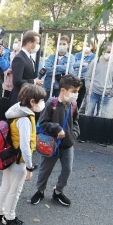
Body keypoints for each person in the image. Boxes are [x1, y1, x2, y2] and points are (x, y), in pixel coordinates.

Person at [0, 84, 46, 225]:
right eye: (41, 101)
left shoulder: (16, 111)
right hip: (18, 160)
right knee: (15, 190)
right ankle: (9, 217)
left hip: (9, 156)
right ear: (32, 102)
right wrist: (29, 166)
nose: (42, 104)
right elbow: (25, 145)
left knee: (5, 186)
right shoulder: (25, 119)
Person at [30, 74, 81, 206]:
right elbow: (42, 122)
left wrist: (73, 134)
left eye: (77, 91)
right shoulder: (51, 104)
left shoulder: (73, 104)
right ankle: (40, 191)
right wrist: (57, 128)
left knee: (67, 169)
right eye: (74, 91)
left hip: (67, 145)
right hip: (51, 144)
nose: (76, 94)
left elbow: (75, 122)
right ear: (63, 90)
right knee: (45, 169)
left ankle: (58, 192)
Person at [85, 43, 113, 118]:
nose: (111, 54)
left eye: (112, 52)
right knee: (88, 115)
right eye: (108, 52)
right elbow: (88, 77)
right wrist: (89, 89)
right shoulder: (95, 61)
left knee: (102, 117)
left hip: (106, 95)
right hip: (93, 93)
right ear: (103, 51)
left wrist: (112, 92)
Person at [9, 30, 42, 107]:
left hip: (26, 97)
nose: (38, 45)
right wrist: (34, 82)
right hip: (19, 99)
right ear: (29, 43)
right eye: (37, 43)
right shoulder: (19, 58)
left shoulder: (28, 57)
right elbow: (17, 81)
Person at [43, 35, 75, 101]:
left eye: (64, 44)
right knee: (46, 105)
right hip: (49, 85)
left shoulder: (71, 57)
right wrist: (61, 70)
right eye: (60, 44)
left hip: (61, 86)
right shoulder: (52, 57)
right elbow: (47, 69)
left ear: (68, 45)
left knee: (59, 105)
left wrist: (54, 67)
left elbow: (67, 69)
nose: (61, 46)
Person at [73, 42, 96, 110]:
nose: (86, 47)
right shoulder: (77, 54)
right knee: (72, 97)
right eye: (85, 45)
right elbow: (73, 65)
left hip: (84, 79)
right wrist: (83, 64)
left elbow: (90, 68)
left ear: (92, 47)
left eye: (88, 45)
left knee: (80, 98)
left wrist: (78, 66)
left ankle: (76, 112)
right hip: (75, 78)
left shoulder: (93, 56)